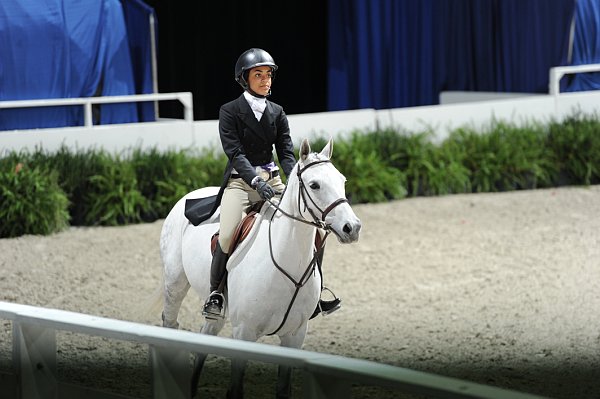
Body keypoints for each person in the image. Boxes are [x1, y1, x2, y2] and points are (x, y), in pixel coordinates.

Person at [202, 48, 341, 320]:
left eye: (268, 75)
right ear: (245, 79)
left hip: (275, 181)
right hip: (241, 184)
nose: (266, 80)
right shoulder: (229, 111)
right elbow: (235, 153)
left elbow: (287, 154)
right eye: (258, 75)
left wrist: (295, 181)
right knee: (228, 232)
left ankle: (315, 293)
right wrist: (254, 180)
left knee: (315, 230)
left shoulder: (277, 112)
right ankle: (215, 293)